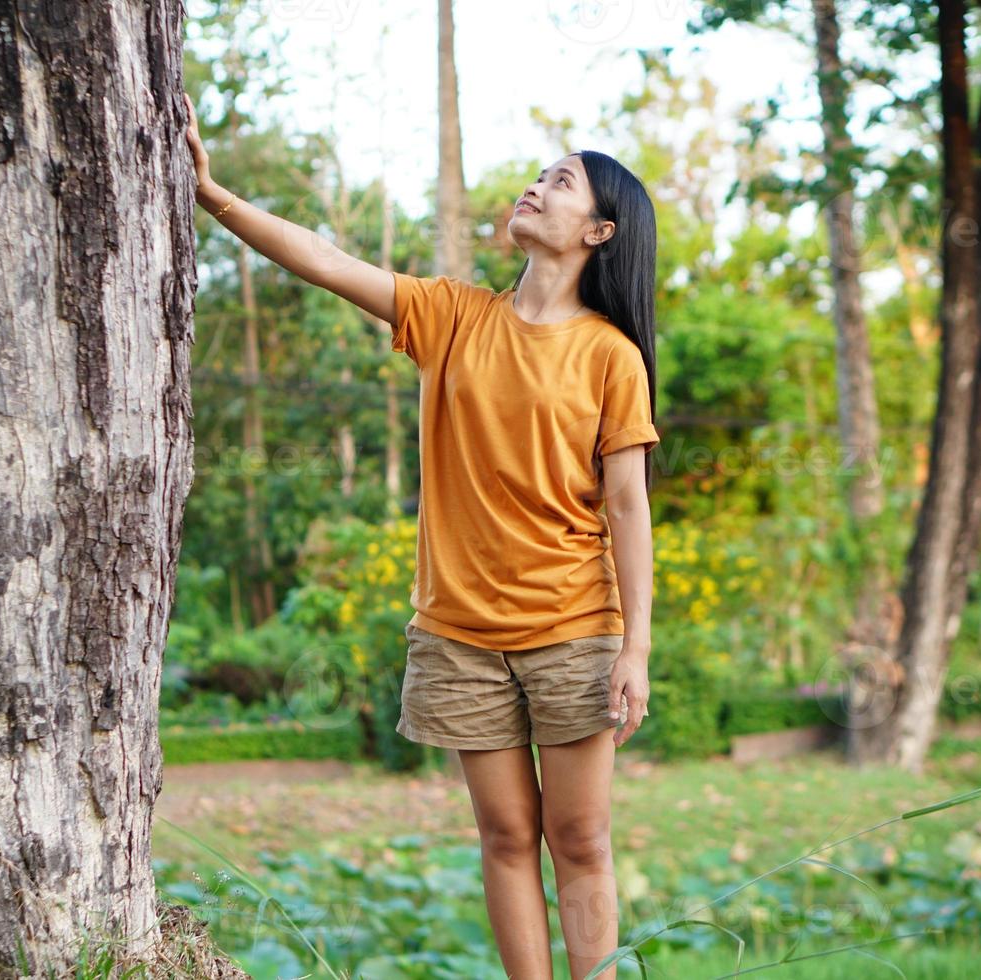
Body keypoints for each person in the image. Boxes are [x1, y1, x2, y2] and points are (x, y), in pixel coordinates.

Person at [183, 92, 660, 980]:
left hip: (572, 626)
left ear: (599, 231)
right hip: (460, 633)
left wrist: (637, 645)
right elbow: (325, 260)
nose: (536, 186)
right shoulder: (453, 316)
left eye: (560, 183)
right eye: (540, 175)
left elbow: (627, 507)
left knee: (581, 837)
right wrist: (215, 198)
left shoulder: (609, 356)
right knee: (507, 834)